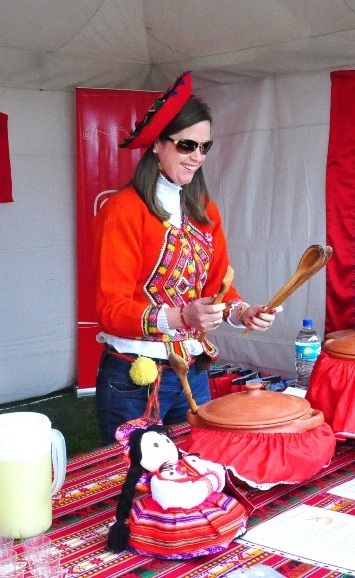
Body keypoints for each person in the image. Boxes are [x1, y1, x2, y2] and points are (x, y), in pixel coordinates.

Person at [93, 72, 280, 445]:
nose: (197, 156)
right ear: (156, 145)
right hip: (135, 377)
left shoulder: (205, 210)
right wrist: (181, 317)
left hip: (192, 370)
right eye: (186, 145)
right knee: (138, 474)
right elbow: (111, 309)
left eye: (205, 147)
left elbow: (218, 288)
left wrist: (242, 311)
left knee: (198, 464)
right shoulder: (122, 210)